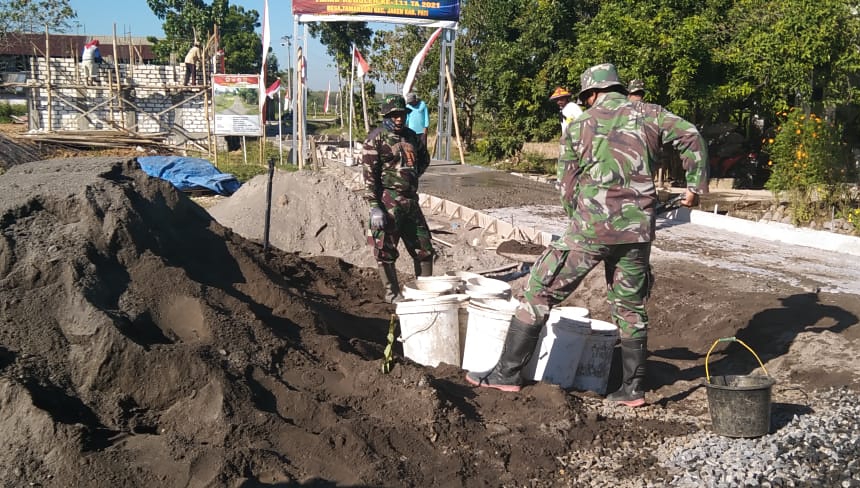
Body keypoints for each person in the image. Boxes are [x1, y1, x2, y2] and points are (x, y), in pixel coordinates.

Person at [465, 63, 709, 407]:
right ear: (619, 88)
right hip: (637, 231)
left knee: (539, 289)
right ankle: (632, 390)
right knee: (630, 307)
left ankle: (506, 373)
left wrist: (574, 220)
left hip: (590, 230)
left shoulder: (580, 125)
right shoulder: (651, 114)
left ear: (590, 95)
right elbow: (691, 136)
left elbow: (567, 184)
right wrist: (694, 187)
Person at [362, 94, 434, 303]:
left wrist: (409, 176)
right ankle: (392, 294)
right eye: (395, 115)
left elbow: (423, 159)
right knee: (384, 249)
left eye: (402, 115)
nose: (399, 119)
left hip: (410, 201)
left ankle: (424, 293)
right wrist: (375, 206)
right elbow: (369, 175)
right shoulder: (376, 138)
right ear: (386, 116)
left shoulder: (411, 136)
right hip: (388, 201)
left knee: (424, 247)